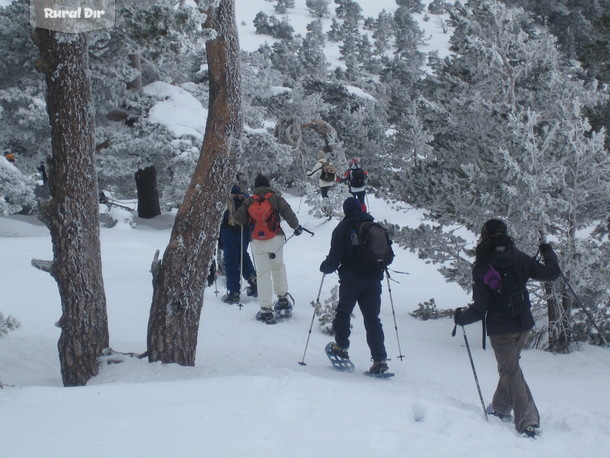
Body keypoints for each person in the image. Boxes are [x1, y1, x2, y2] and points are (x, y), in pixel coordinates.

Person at [454, 219, 560, 438]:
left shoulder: (483, 267)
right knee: (510, 367)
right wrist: (547, 249)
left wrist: (460, 318)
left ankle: (527, 421)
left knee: (509, 371)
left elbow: (479, 309)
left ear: (484, 236)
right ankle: (501, 408)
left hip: (501, 329)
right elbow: (552, 273)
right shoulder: (519, 257)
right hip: (523, 325)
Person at [319, 197, 389, 374]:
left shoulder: (342, 228)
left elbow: (334, 258)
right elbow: (390, 256)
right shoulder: (374, 226)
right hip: (373, 280)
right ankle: (380, 360)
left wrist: (325, 267)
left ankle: (341, 347)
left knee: (343, 313)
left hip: (351, 280)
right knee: (373, 319)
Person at [234, 173, 303, 324]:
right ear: (267, 184)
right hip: (276, 238)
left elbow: (238, 219)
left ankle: (265, 309)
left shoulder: (250, 200)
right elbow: (288, 212)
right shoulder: (275, 197)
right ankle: (283, 299)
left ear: (255, 186)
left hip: (257, 241)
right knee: (278, 267)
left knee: (263, 274)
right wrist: (296, 226)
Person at [219, 184, 257, 304]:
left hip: (229, 234)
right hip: (244, 234)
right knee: (243, 257)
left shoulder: (227, 199)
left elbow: (222, 221)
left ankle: (234, 292)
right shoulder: (246, 198)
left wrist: (220, 240)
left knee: (231, 262)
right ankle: (253, 281)